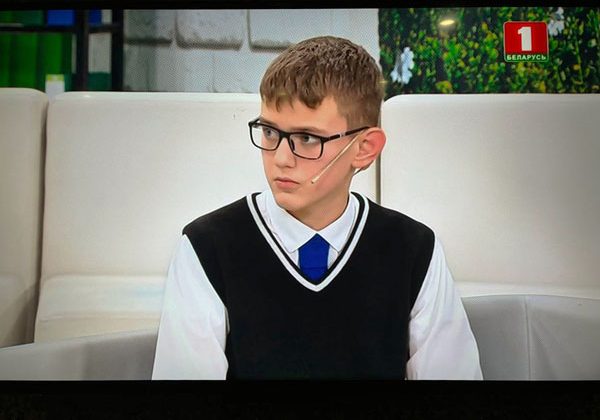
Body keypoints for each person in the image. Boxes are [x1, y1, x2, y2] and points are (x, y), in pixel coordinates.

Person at [152, 36, 482, 380]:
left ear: (364, 148)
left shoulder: (414, 250)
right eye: (269, 132)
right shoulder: (207, 247)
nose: (281, 158)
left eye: (307, 138)